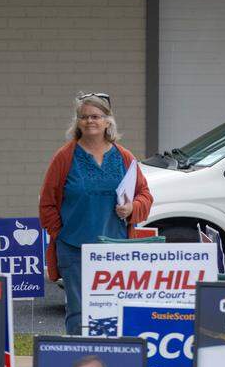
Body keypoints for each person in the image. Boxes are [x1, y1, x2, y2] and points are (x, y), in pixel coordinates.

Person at [39, 93, 153, 335]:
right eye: (84, 117)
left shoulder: (124, 156)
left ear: (107, 121)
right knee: (79, 312)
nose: (90, 121)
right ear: (77, 122)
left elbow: (145, 196)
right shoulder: (65, 157)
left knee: (114, 310)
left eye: (96, 116)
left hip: (115, 250)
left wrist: (132, 208)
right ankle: (77, 361)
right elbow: (47, 203)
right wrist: (61, 233)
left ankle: (111, 361)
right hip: (74, 249)